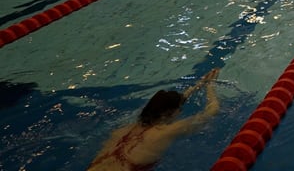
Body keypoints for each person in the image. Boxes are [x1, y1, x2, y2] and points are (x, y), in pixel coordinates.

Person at [87, 69, 220, 170]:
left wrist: (199, 84)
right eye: (179, 109)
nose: (180, 112)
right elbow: (213, 110)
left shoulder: (125, 129)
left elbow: (174, 104)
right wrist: (210, 86)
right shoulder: (166, 132)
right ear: (169, 113)